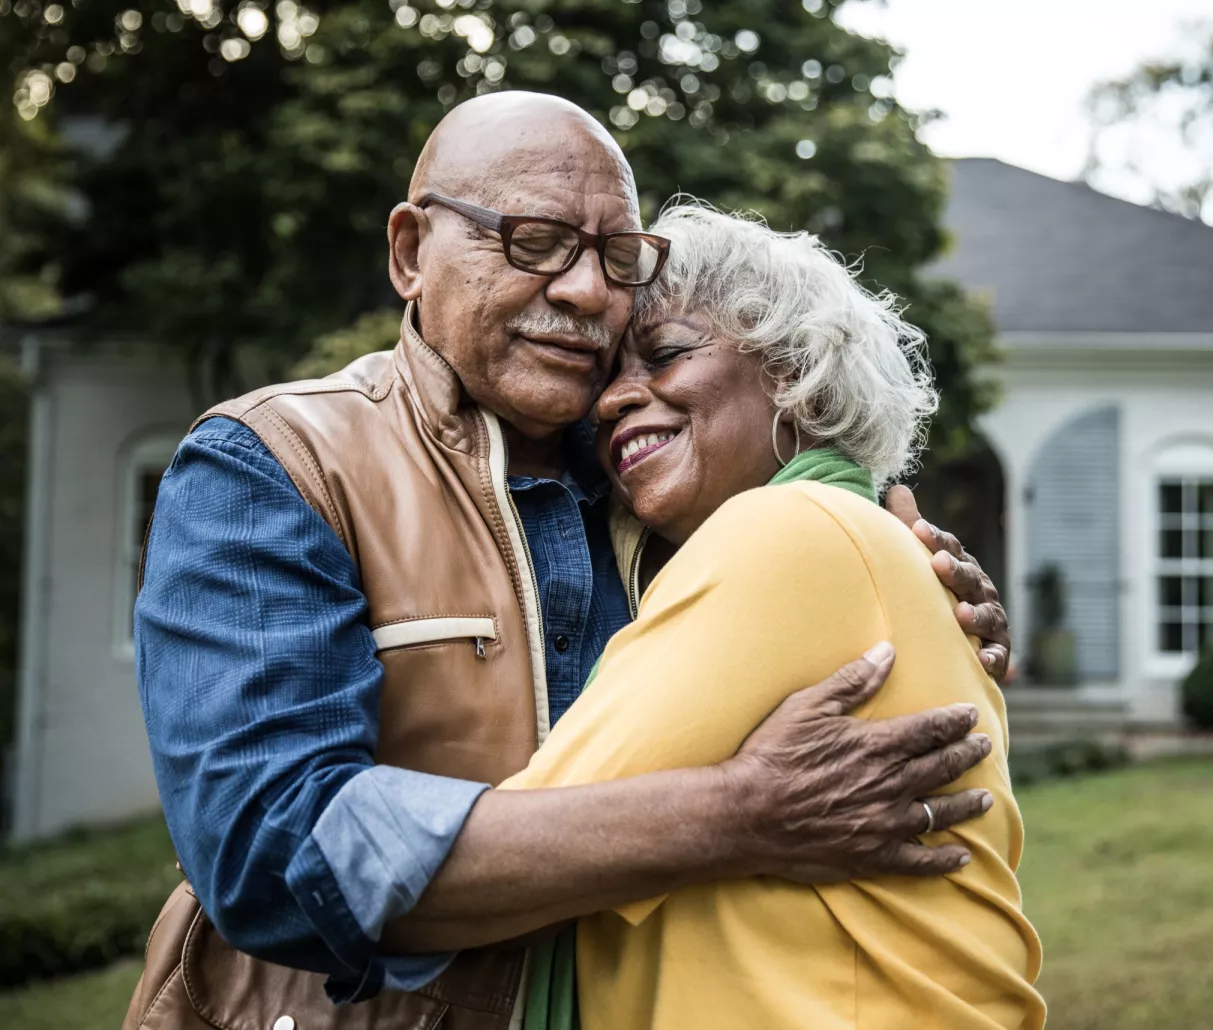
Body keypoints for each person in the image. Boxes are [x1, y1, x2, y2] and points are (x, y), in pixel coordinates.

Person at [124, 92, 1013, 1029]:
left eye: (617, 257)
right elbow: (272, 854)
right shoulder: (276, 463)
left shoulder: (666, 487)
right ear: (409, 253)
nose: (589, 291)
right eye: (536, 241)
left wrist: (920, 593)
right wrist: (739, 814)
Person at [503, 203, 1045, 1030]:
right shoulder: (857, 541)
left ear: (793, 372)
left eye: (665, 354)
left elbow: (514, 856)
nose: (612, 400)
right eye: (609, 375)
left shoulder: (789, 529)